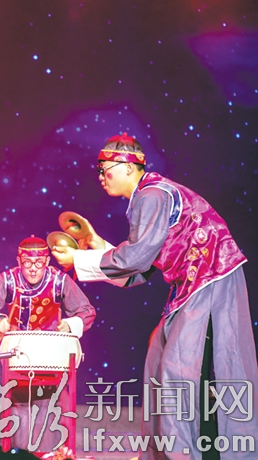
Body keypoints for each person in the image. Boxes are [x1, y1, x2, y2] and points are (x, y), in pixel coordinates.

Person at [50, 133, 258, 459]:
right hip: (189, 286)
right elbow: (139, 270)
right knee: (158, 360)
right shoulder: (149, 197)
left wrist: (78, 259)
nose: (101, 176)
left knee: (178, 371)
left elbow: (134, 260)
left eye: (105, 169)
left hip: (210, 277)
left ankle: (184, 454)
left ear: (128, 166)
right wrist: (93, 245)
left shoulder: (153, 194)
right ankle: (160, 454)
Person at [0, 236, 96, 453]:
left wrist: (70, 324)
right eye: (27, 263)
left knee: (54, 404)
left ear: (47, 261)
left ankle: (54, 454)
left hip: (51, 355)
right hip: (18, 353)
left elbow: (86, 311)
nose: (33, 269)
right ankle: (17, 452)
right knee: (18, 406)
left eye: (39, 263)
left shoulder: (59, 280)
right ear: (19, 261)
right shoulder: (8, 279)